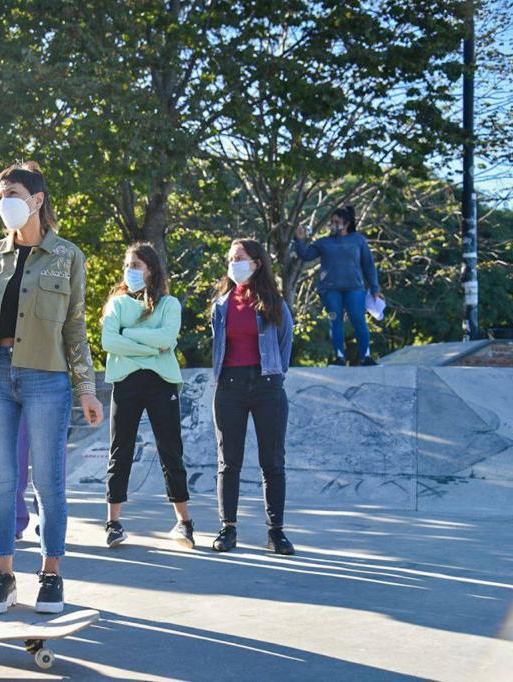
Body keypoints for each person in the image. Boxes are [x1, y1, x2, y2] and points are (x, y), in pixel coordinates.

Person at [0, 161, 104, 615]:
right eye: (1, 196)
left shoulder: (68, 256)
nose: (6, 203)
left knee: (48, 482)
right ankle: (3, 577)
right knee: (1, 482)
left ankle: (52, 576)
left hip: (47, 377)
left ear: (37, 200)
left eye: (14, 194)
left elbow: (75, 326)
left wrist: (86, 387)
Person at [100, 242, 194, 549]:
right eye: (127, 265)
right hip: (126, 383)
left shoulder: (169, 304)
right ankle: (113, 522)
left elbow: (167, 337)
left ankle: (184, 522)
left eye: (137, 266)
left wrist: (129, 335)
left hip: (161, 383)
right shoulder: (116, 304)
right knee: (120, 450)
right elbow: (109, 341)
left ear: (151, 270)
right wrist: (150, 347)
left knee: (170, 450)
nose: (130, 271)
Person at [211, 239, 295, 556]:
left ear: (256, 263)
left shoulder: (274, 303)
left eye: (240, 258)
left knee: (272, 462)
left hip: (267, 384)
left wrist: (272, 374)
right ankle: (227, 529)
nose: (234, 264)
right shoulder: (221, 305)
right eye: (231, 259)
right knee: (228, 462)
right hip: (229, 386)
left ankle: (276, 533)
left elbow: (285, 344)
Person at [294, 206, 383, 366]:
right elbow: (305, 255)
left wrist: (375, 288)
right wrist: (299, 240)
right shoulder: (323, 243)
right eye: (332, 222)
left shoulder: (358, 240)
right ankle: (340, 358)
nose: (333, 224)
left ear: (346, 223)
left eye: (337, 222)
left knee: (359, 320)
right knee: (336, 322)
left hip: (355, 288)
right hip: (330, 290)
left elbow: (368, 265)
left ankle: (366, 357)